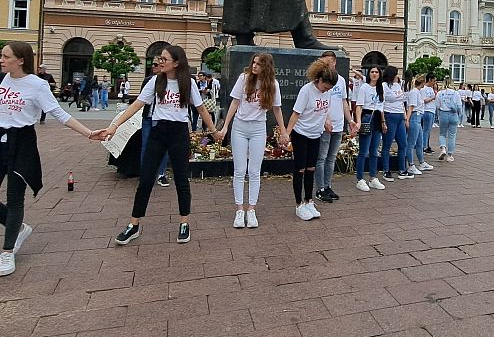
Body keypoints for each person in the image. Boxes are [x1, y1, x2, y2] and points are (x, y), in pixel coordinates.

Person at [0, 41, 102, 277]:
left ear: (21, 60)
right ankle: (18, 228)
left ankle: (7, 252)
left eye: (6, 57)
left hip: (22, 141)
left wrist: (88, 133)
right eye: (1, 57)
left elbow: (58, 112)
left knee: (15, 198)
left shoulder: (37, 85)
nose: (1, 61)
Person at [102, 45, 220, 246]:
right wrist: (114, 126)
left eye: (164, 59)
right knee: (146, 179)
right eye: (160, 59)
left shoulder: (188, 83)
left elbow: (200, 109)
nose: (160, 62)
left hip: (179, 133)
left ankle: (184, 222)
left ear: (176, 63)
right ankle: (134, 224)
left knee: (182, 179)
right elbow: (136, 106)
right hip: (158, 132)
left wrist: (214, 131)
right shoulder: (155, 81)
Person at [216, 53, 287, 228]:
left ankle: (251, 209)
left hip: (258, 128)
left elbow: (277, 110)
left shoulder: (273, 84)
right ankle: (239, 210)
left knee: (254, 171)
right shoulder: (244, 78)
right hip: (240, 127)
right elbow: (234, 102)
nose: (254, 66)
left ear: (266, 67)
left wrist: (284, 131)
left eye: (258, 64)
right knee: (240, 170)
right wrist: (225, 126)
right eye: (253, 62)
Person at [283, 59, 337, 220]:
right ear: (319, 80)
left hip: (316, 134)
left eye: (329, 89)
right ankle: (299, 204)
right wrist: (287, 134)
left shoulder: (327, 92)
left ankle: (309, 200)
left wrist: (327, 121)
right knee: (300, 169)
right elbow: (295, 114)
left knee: (311, 169)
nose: (326, 90)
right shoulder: (306, 91)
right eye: (325, 86)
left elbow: (324, 109)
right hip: (301, 133)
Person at [313, 51, 356, 204]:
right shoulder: (319, 81)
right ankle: (320, 188)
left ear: (334, 63)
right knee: (321, 158)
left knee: (331, 158)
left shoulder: (342, 81)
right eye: (322, 63)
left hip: (338, 125)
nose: (325, 65)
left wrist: (350, 120)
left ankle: (328, 185)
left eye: (327, 63)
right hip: (324, 125)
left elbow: (344, 102)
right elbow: (319, 103)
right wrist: (326, 120)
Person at [354, 66, 386, 192]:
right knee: (364, 150)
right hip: (367, 116)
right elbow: (359, 106)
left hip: (377, 117)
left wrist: (383, 122)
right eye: (372, 72)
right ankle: (360, 178)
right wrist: (359, 121)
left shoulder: (380, 88)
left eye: (376, 72)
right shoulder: (364, 87)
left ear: (379, 74)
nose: (374, 74)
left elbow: (381, 106)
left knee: (374, 151)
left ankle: (373, 177)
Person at [379, 65, 410, 181]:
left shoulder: (398, 85)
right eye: (396, 74)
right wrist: (383, 120)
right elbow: (381, 103)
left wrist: (405, 116)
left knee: (403, 143)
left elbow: (402, 102)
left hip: (399, 116)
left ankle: (402, 168)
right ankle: (386, 170)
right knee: (387, 144)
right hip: (389, 114)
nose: (397, 76)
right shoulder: (384, 86)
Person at [404, 74, 433, 176]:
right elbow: (411, 107)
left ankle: (421, 162)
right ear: (423, 82)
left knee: (419, 142)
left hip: (418, 116)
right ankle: (411, 165)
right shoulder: (414, 92)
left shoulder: (418, 92)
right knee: (411, 143)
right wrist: (407, 120)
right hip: (415, 116)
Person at [435, 79, 463, 161]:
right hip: (453, 115)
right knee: (452, 135)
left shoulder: (440, 93)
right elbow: (459, 106)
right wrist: (459, 115)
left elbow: (437, 106)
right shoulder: (455, 93)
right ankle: (449, 155)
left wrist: (438, 116)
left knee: (442, 134)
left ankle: (443, 148)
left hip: (443, 114)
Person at [420, 75, 437, 152]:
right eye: (433, 81)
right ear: (429, 79)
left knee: (428, 129)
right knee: (425, 129)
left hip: (432, 110)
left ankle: (427, 145)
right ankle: (423, 146)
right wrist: (433, 98)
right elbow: (424, 100)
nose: (434, 83)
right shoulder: (424, 89)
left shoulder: (431, 88)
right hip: (427, 110)